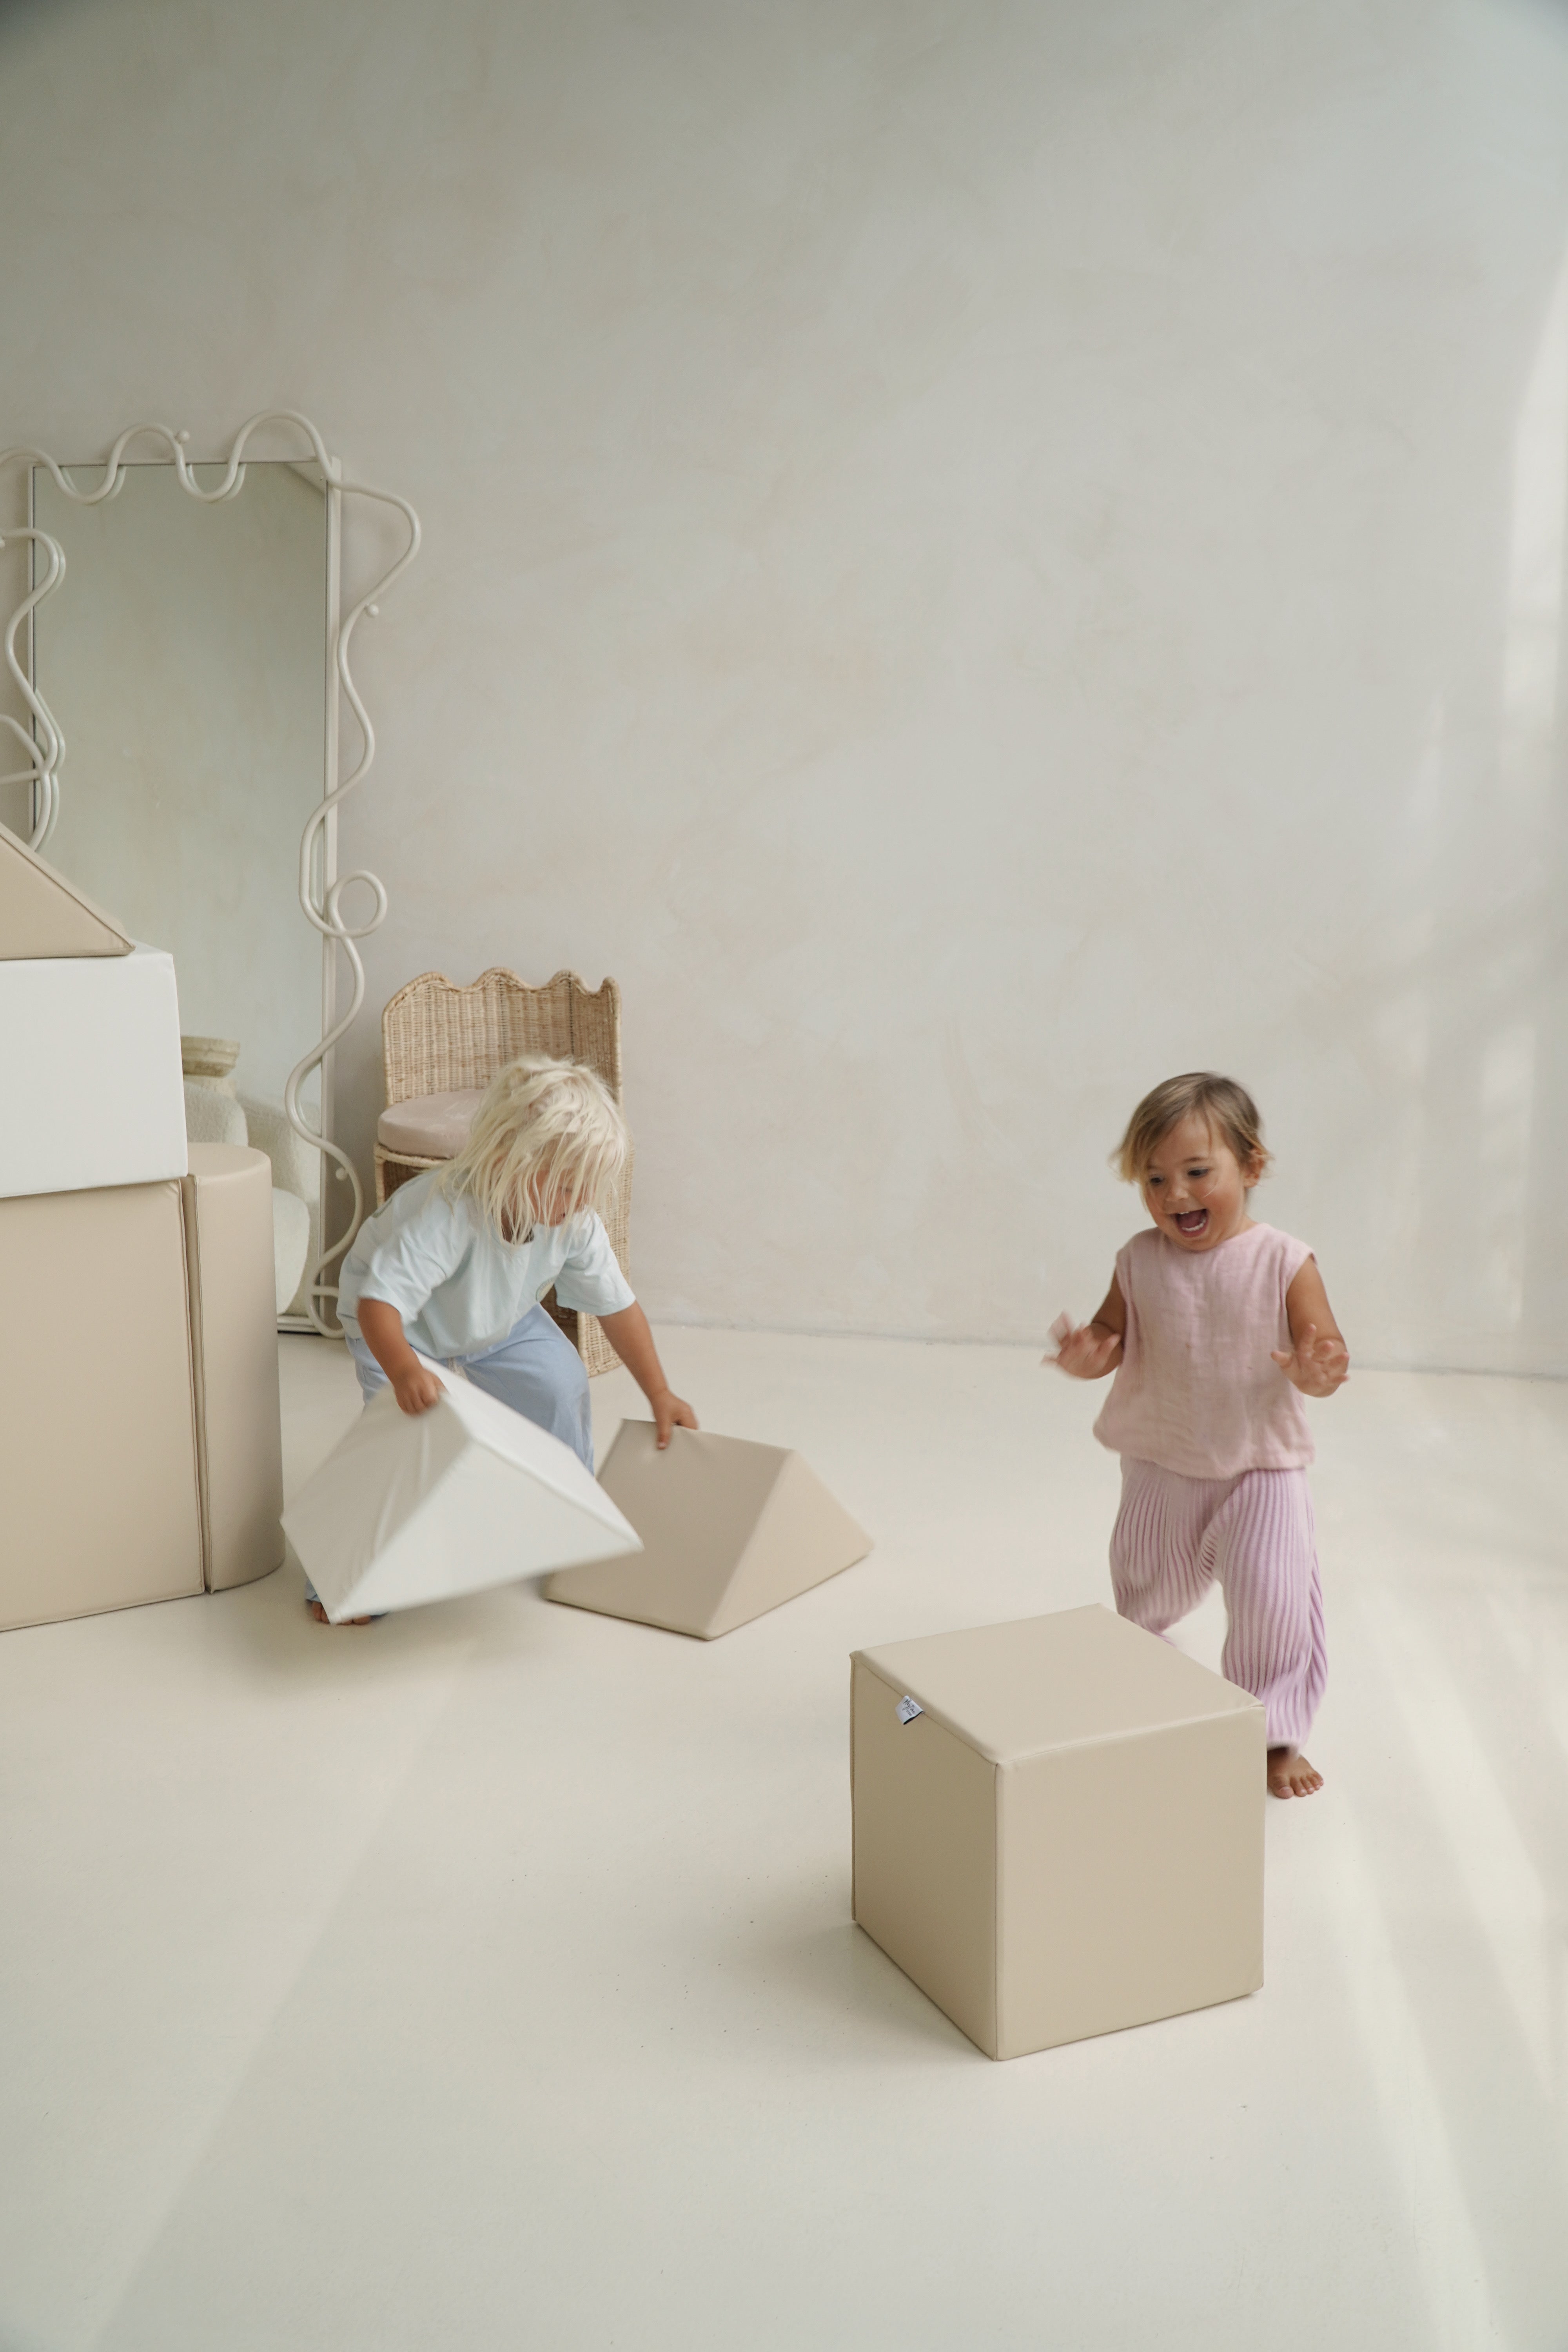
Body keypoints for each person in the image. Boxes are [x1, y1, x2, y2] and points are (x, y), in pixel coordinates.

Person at [309, 1053, 697, 1625]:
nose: (579, 1204)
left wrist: (659, 1393)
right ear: (507, 1161)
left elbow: (619, 1309)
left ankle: (570, 1514)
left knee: (561, 1383)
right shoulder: (449, 1212)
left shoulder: (573, 1221)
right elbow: (377, 1307)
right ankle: (348, 1580)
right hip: (398, 1326)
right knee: (407, 1436)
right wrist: (405, 1370)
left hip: (497, 1314)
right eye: (568, 1187)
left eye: (588, 1189)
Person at [1050, 1073, 1347, 1798]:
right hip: (1163, 1461)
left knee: (1274, 1602)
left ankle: (1275, 1735)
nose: (1175, 1195)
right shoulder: (1138, 1259)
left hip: (1261, 1468)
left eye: (1196, 1172)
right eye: (1154, 1179)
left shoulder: (1285, 1260)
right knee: (1143, 1593)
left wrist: (1317, 1369)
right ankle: (1150, 1690)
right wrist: (1090, 1354)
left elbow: (1325, 1351)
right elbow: (1112, 1333)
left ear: (1251, 1166)